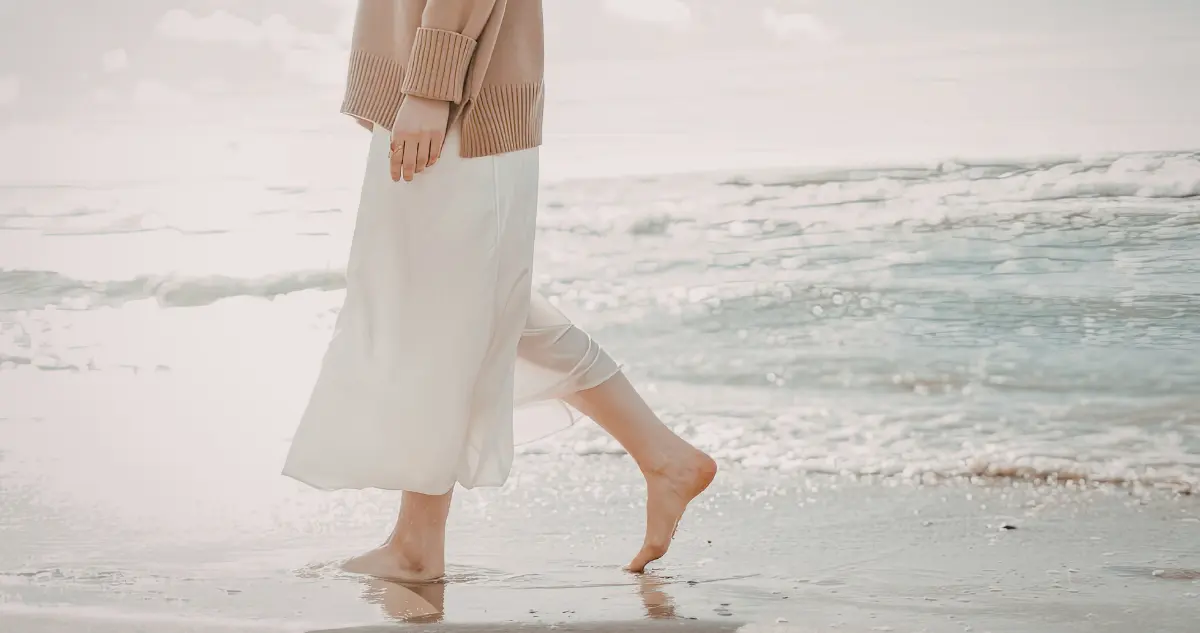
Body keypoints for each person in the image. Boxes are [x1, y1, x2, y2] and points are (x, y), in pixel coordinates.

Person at [282, 0, 716, 580]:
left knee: (446, 310)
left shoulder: (440, 90)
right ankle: (662, 457)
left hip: (456, 97)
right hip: (445, 91)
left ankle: (418, 544)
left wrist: (432, 85)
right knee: (470, 305)